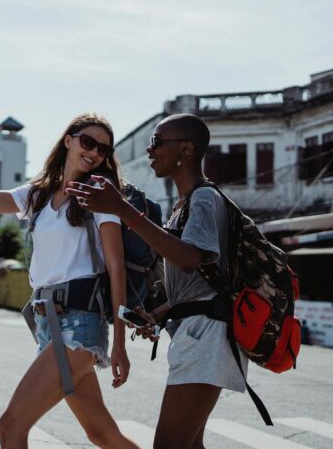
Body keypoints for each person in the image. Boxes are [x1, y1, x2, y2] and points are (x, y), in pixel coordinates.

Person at [0, 96, 138, 449]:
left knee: (10, 427)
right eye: (88, 142)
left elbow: (116, 266)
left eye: (103, 150)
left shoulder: (99, 196)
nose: (94, 153)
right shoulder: (37, 195)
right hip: (47, 324)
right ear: (69, 140)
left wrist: (120, 342)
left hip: (80, 323)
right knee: (103, 435)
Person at [67, 113, 248, 449]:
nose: (150, 151)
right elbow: (202, 280)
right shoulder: (183, 204)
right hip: (196, 331)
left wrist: (122, 209)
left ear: (186, 149)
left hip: (207, 336)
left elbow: (190, 257)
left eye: (156, 142)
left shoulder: (204, 198)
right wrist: (162, 311)